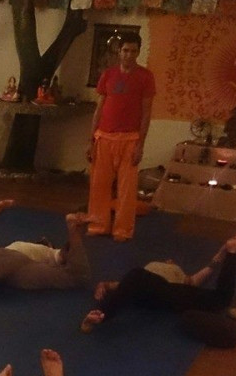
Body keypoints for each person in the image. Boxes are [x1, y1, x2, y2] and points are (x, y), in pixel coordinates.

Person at [81, 234, 236, 332]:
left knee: (221, 300)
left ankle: (233, 252)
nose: (170, 260)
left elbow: (206, 271)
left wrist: (224, 251)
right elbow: (120, 286)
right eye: (169, 261)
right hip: (143, 289)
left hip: (166, 292)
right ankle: (98, 315)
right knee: (135, 276)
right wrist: (102, 285)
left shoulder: (181, 275)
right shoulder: (151, 268)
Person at [86, 32, 155, 242]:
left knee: (126, 189)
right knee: (99, 185)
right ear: (119, 51)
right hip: (104, 137)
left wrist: (140, 145)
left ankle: (122, 230)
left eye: (133, 51)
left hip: (130, 139)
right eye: (125, 50)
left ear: (138, 52)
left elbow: (146, 113)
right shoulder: (108, 74)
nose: (129, 55)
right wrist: (91, 139)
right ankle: (98, 224)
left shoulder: (146, 77)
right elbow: (99, 108)